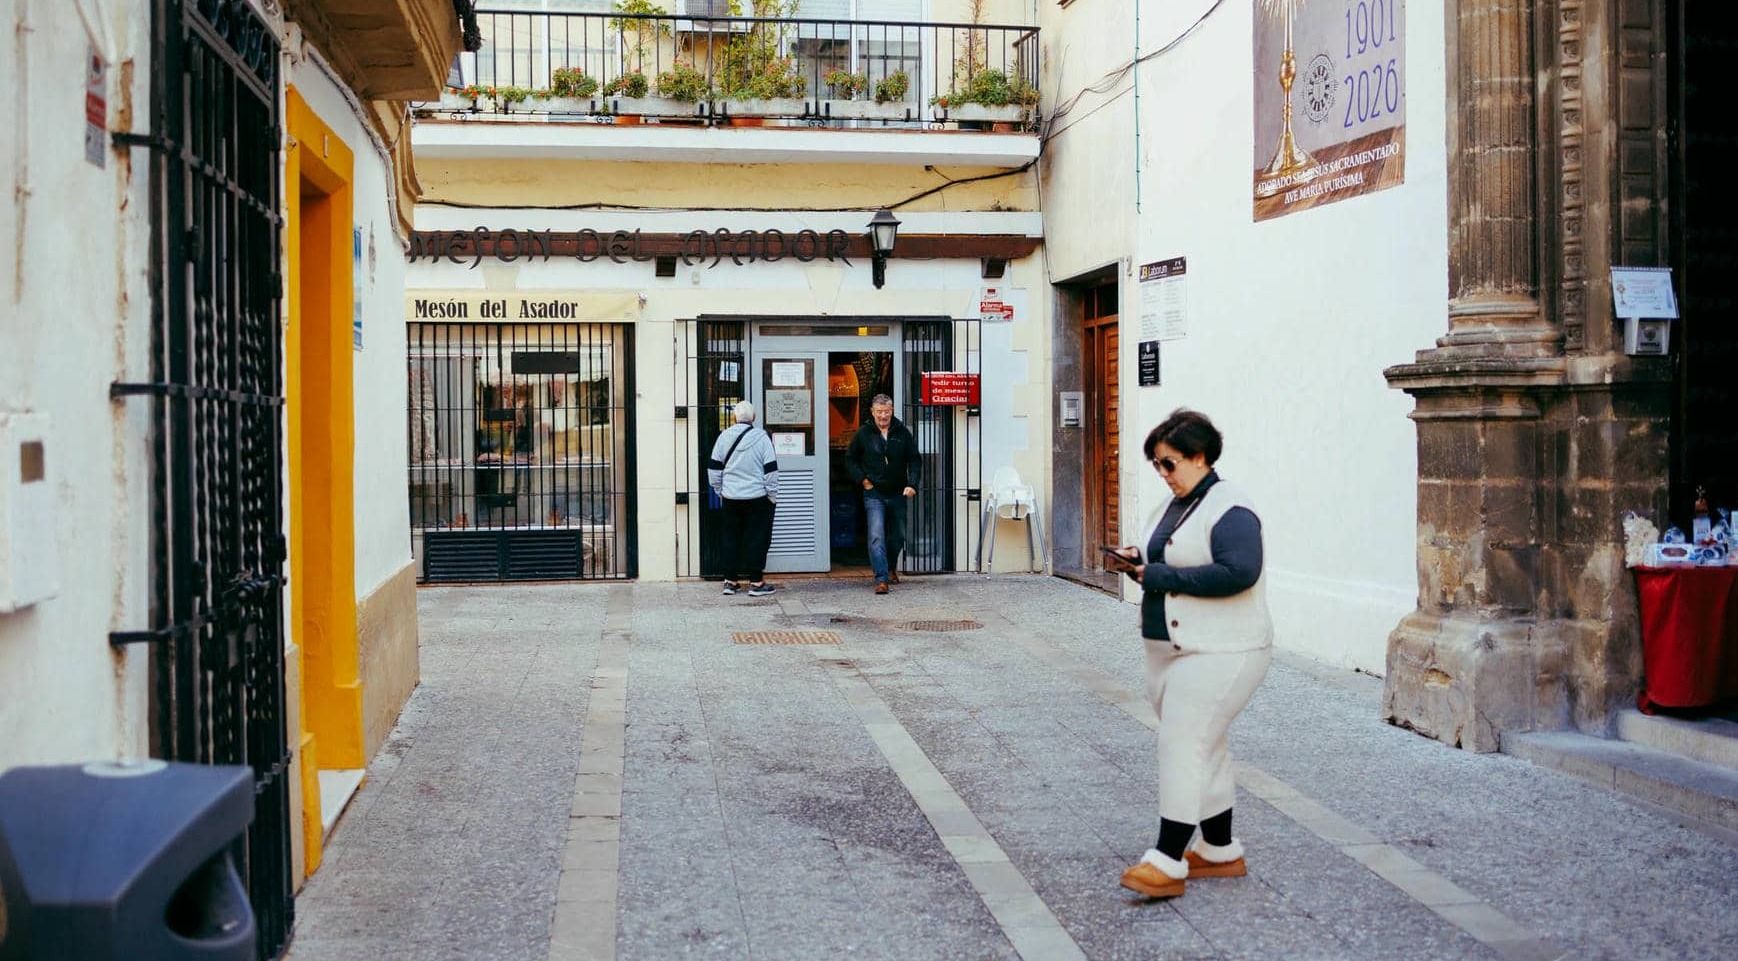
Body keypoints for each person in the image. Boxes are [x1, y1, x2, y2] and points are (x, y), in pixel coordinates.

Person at [1103, 408, 1273, 900]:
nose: (1162, 472)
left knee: (1181, 742)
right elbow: (1170, 554)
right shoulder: (1175, 504)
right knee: (1205, 743)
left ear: (1200, 456)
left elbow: (1240, 571)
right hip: (1173, 648)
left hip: (1222, 649)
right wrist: (1139, 559)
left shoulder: (1231, 509)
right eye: (1156, 463)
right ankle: (1219, 850)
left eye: (1169, 462)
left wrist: (1162, 576)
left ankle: (1166, 860)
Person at [845, 394, 919, 595]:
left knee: (898, 535)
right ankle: (881, 579)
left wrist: (912, 484)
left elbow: (914, 460)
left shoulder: (902, 432)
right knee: (876, 535)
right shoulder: (864, 433)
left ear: (892, 411)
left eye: (886, 411)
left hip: (898, 492)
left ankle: (891, 566)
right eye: (879, 412)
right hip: (874, 493)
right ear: (872, 412)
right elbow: (850, 459)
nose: (883, 416)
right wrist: (863, 480)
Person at [708, 401, 780, 597]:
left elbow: (714, 469)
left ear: (734, 417)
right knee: (757, 538)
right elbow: (771, 471)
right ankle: (756, 582)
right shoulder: (762, 438)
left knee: (730, 537)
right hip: (757, 498)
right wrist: (772, 495)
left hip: (731, 498)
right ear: (754, 417)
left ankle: (730, 581)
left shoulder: (723, 437)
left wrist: (720, 491)